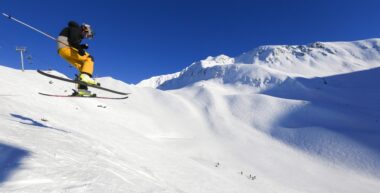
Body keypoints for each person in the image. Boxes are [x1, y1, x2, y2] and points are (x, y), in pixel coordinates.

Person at [57, 21, 96, 96]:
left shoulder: (76, 33)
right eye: (87, 34)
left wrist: (82, 46)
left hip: (63, 51)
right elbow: (73, 41)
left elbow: (72, 42)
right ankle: (85, 77)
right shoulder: (75, 29)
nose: (85, 36)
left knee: (83, 67)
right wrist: (80, 49)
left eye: (87, 37)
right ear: (85, 29)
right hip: (66, 49)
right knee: (89, 58)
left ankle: (82, 90)